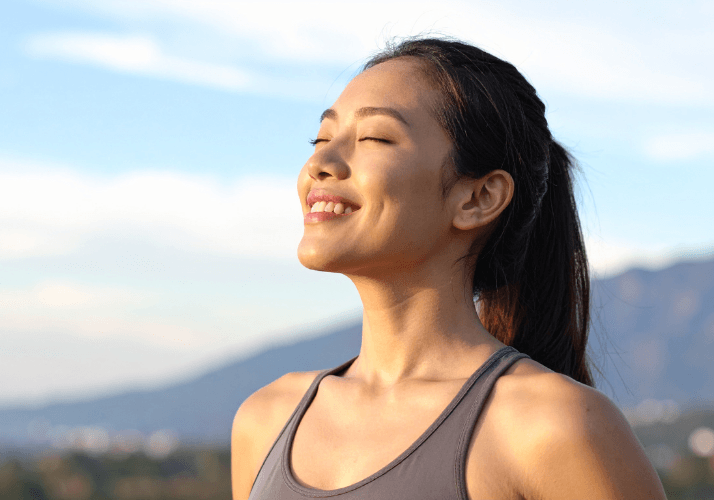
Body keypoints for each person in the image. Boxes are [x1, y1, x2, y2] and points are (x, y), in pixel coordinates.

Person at [231, 37, 666, 500]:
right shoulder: (267, 420)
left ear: (478, 198)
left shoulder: (551, 428)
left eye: (375, 137)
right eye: (321, 139)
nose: (320, 162)